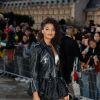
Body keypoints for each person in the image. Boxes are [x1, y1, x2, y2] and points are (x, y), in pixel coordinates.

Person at [30, 17, 69, 100]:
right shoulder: (37, 48)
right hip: (43, 88)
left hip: (56, 87)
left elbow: (58, 72)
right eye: (47, 29)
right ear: (42, 31)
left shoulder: (57, 47)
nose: (50, 32)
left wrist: (64, 91)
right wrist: (35, 93)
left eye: (53, 29)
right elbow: (34, 73)